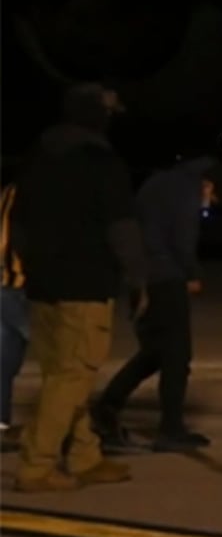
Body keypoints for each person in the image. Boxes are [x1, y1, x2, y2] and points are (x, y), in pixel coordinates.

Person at [11, 83, 147, 490]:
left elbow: (18, 222)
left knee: (62, 375)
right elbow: (121, 227)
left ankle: (85, 456)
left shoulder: (37, 157)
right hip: (85, 284)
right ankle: (37, 466)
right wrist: (138, 278)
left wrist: (31, 265)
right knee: (73, 376)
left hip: (42, 285)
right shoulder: (100, 162)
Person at [93, 155, 222, 452]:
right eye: (212, 197)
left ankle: (107, 407)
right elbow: (182, 238)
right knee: (177, 357)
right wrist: (192, 273)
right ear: (209, 184)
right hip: (166, 277)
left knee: (155, 351)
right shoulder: (186, 190)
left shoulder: (159, 182)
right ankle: (170, 429)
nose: (207, 204)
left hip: (143, 276)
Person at [0, 169, 27, 439]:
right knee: (64, 361)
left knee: (5, 358)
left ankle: (1, 420)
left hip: (5, 284)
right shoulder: (27, 195)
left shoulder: (7, 193)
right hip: (19, 285)